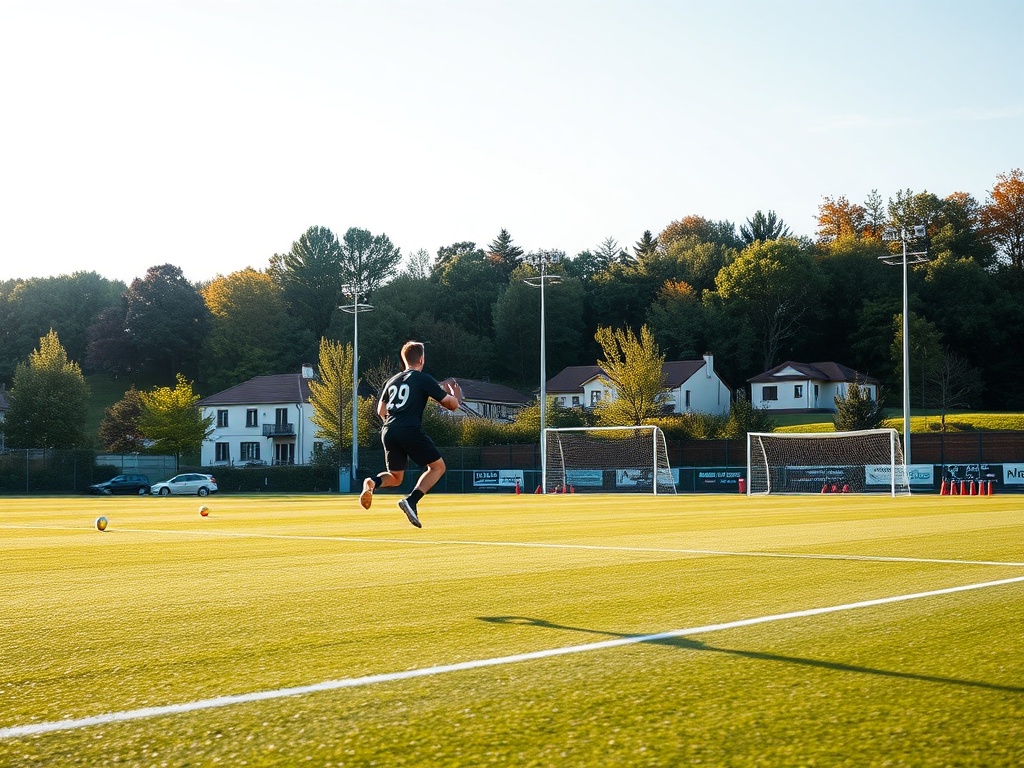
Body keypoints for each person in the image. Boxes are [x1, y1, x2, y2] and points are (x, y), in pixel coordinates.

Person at [359, 340, 462, 527]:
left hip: (388, 430)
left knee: (395, 477)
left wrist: (395, 424)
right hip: (409, 428)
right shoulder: (423, 379)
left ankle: (372, 482)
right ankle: (411, 501)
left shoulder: (391, 381)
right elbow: (451, 404)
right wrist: (456, 395)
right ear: (421, 359)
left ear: (404, 359)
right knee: (437, 468)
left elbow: (381, 410)